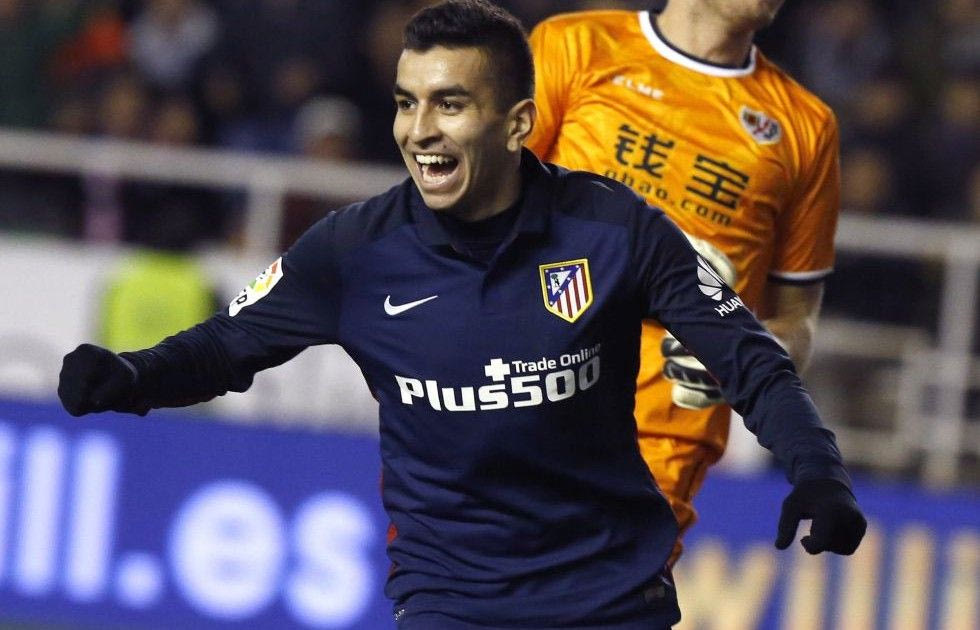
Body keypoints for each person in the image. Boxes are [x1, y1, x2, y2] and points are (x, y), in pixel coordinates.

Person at [57, 1, 865, 628]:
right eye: (407, 104)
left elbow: (753, 357)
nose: (420, 130)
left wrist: (818, 470)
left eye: (449, 104)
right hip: (450, 599)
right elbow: (231, 343)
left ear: (518, 123)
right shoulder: (356, 249)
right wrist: (133, 375)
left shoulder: (617, 231)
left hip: (613, 593)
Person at [526, 0, 844, 564]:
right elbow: (482, 214)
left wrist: (745, 350)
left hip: (658, 449)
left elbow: (798, 319)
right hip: (518, 403)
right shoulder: (573, 47)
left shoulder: (804, 125)